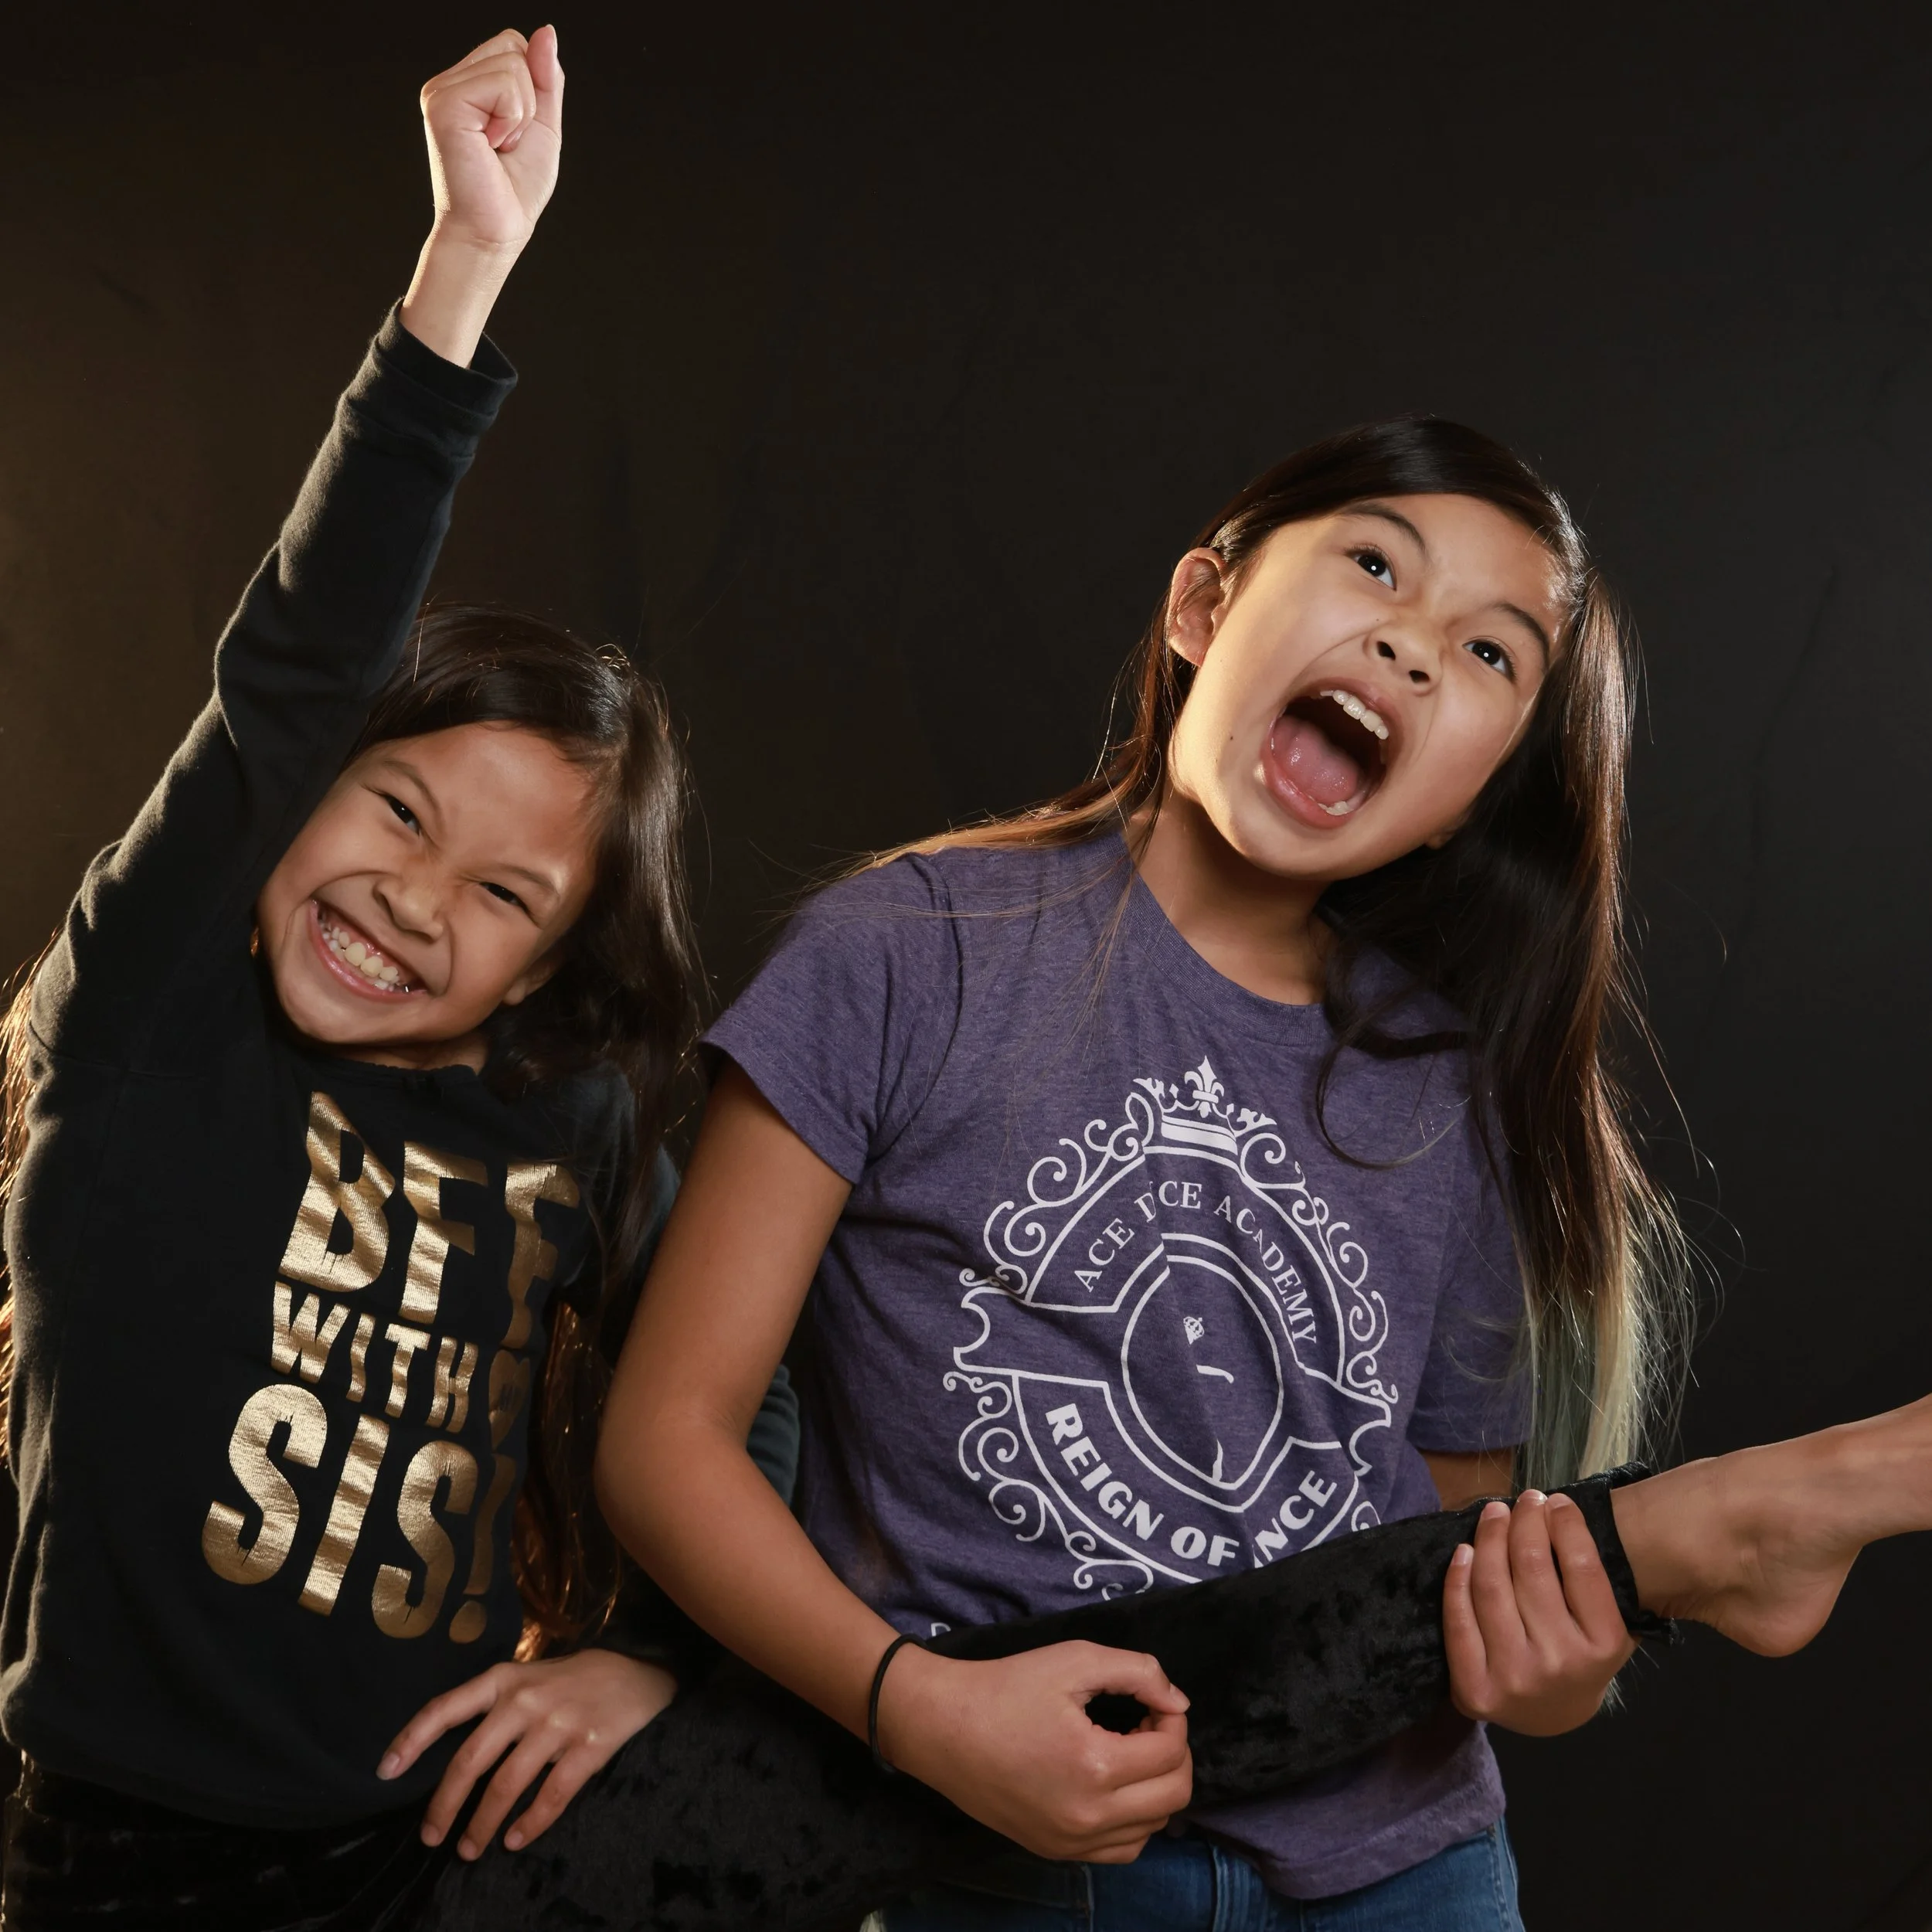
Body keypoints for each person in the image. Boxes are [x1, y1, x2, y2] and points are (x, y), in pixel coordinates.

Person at [580, 396, 1932, 1932]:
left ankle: (1741, 1529)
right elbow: (665, 1438)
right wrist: (913, 1709)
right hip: (1006, 1846)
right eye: (1375, 566)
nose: (1419, 646)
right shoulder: (906, 952)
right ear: (1200, 604)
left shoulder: (1453, 1088)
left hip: (1401, 1866)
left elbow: (1452, 1572)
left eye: (1491, 652)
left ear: (1476, 791)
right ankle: (1734, 1524)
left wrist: (1558, 1668)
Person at [0, 27, 796, 1929]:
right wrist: (462, 269)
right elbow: (290, 665)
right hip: (120, 1857)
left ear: (552, 962)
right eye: (396, 806)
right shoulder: (151, 1026)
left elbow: (741, 1390)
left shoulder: (568, 1119)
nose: (418, 896)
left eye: (506, 889)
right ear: (295, 801)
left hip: (450, 1856)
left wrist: (645, 1654)